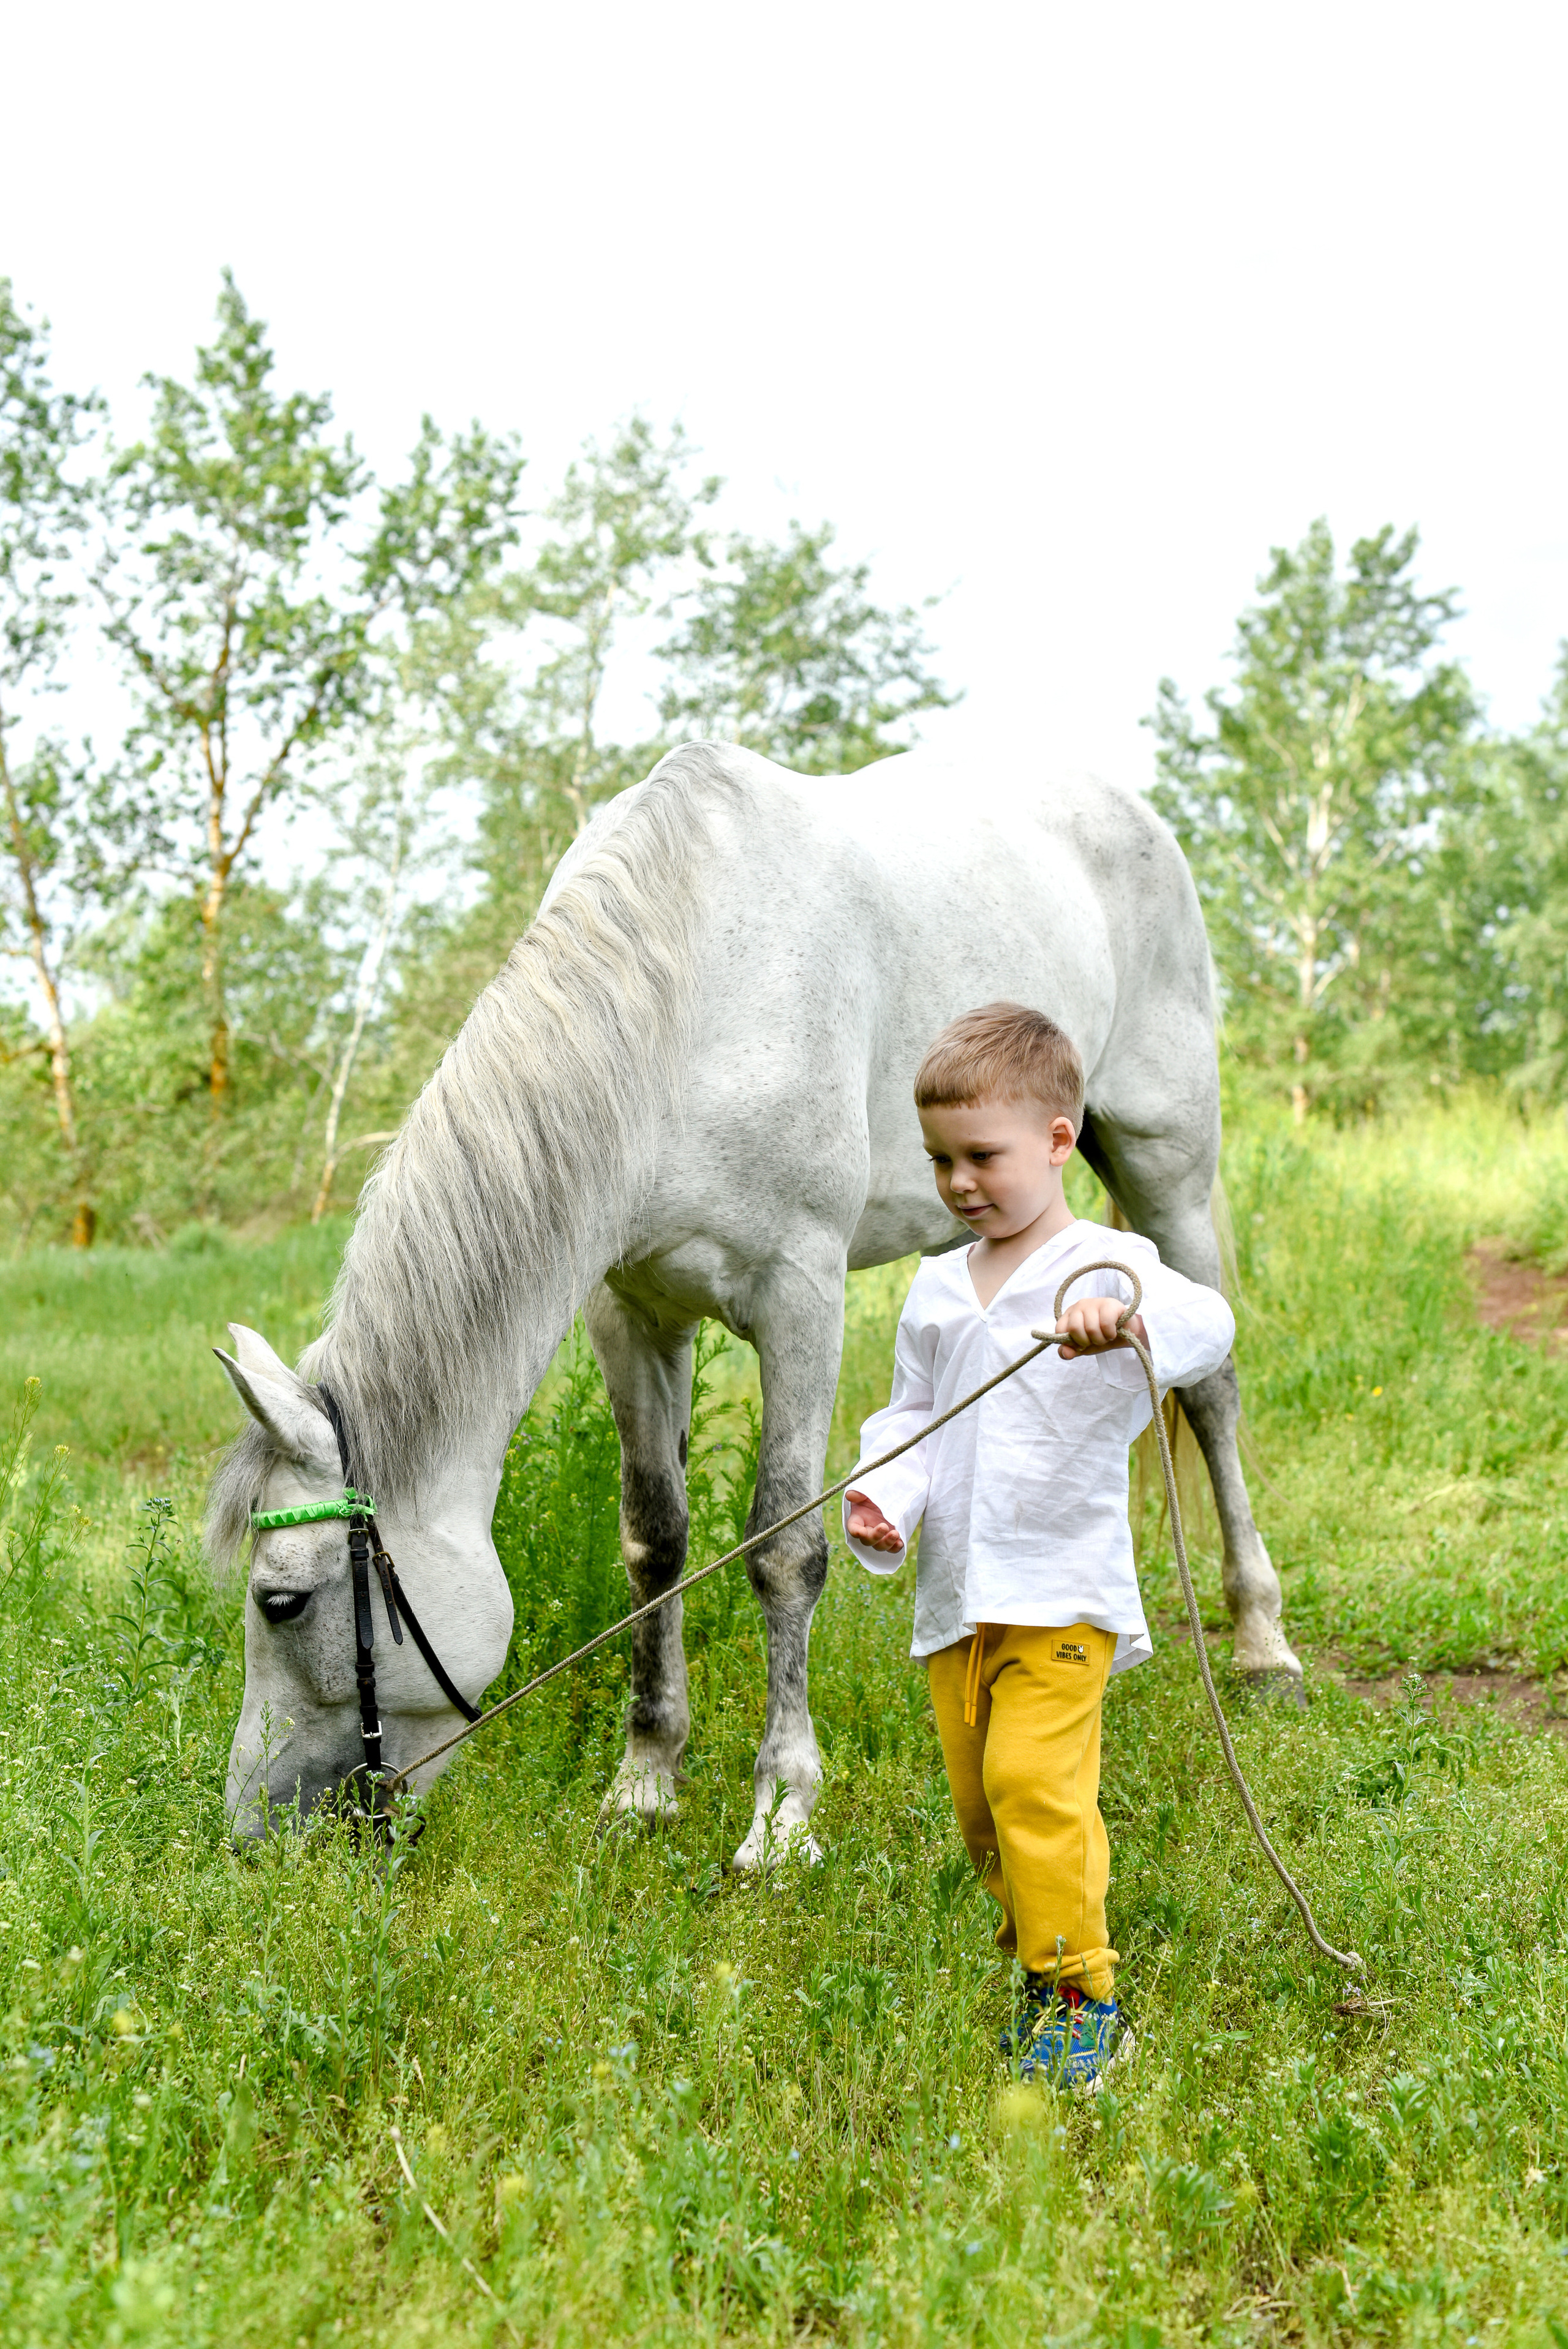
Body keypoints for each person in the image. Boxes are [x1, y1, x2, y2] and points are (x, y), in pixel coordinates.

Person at [843, 1002, 1235, 2090]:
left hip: (1062, 1588)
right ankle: (1038, 1963)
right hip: (958, 1596)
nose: (962, 1182)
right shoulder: (932, 1286)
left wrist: (1133, 1322)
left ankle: (1081, 1998)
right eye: (940, 1161)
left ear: (1058, 1143)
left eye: (984, 1156)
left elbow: (1209, 1327)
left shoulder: (1107, 1263)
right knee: (982, 1814)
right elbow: (909, 1419)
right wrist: (886, 1494)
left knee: (1032, 1784)